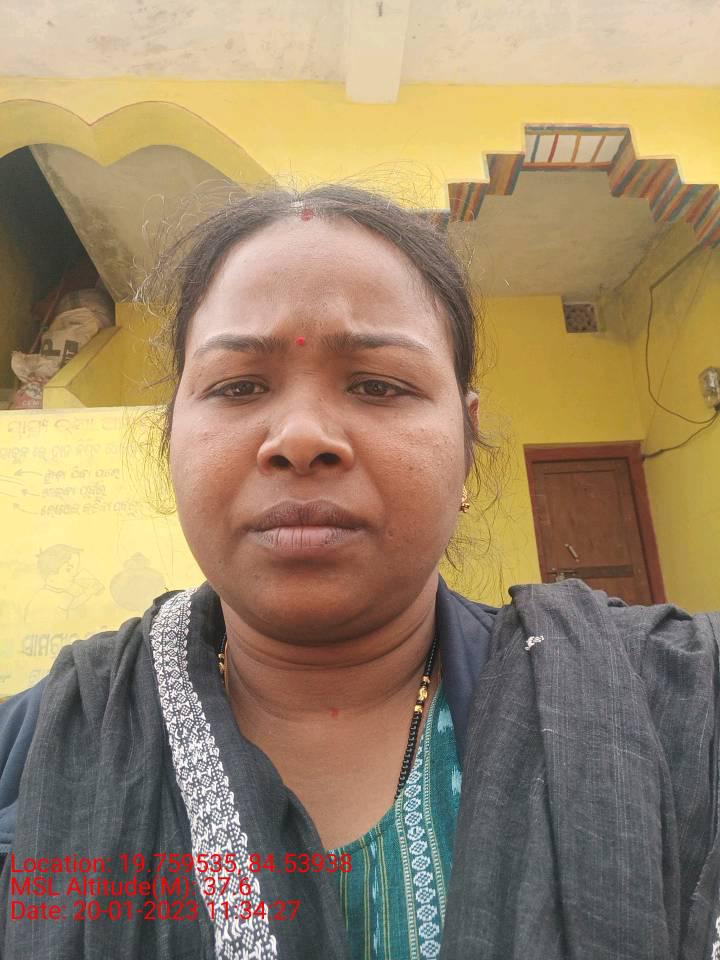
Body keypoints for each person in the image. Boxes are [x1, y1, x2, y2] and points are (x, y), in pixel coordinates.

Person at [0, 184, 718, 960]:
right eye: (238, 386)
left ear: (466, 443)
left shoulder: (676, 706)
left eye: (378, 384)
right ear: (172, 438)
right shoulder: (30, 755)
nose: (301, 438)